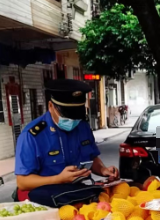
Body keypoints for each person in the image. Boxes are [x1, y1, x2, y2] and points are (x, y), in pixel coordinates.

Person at [15, 79, 119, 207]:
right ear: (51, 106)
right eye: (67, 115)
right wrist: (59, 179)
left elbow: (91, 157)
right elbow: (22, 182)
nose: (72, 120)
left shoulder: (82, 126)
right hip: (45, 206)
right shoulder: (32, 135)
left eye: (75, 115)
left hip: (79, 199)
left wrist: (103, 170)